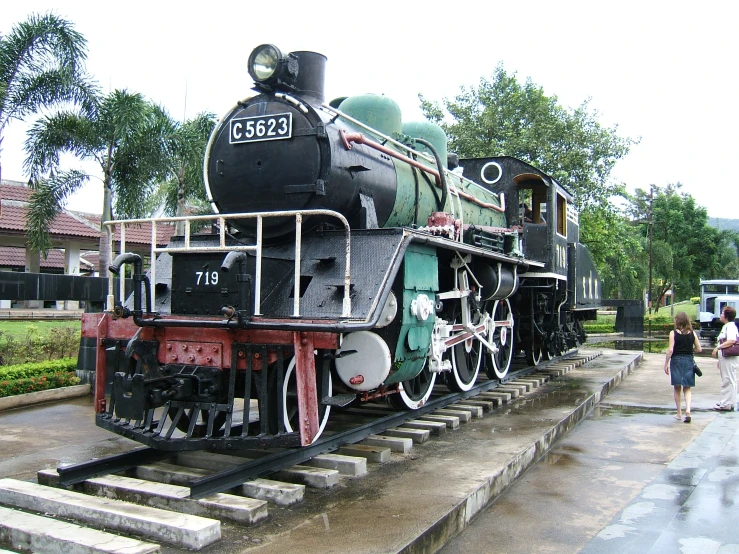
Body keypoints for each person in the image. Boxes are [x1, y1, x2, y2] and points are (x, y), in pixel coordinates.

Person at [664, 311, 702, 423]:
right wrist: (691, 350)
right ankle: (688, 410)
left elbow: (670, 350)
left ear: (678, 321)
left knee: (677, 387)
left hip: (676, 360)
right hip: (689, 360)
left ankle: (679, 413)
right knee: (687, 387)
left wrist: (666, 363)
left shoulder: (673, 333)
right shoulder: (692, 333)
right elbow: (699, 349)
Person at [711, 306, 738, 411]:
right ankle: (729, 401)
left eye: (722, 313)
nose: (720, 315)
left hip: (729, 358)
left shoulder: (730, 327)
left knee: (728, 380)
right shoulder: (727, 326)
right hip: (725, 358)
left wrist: (718, 348)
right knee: (729, 379)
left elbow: (731, 340)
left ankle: (727, 403)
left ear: (726, 316)